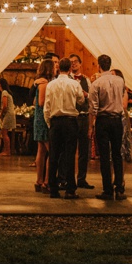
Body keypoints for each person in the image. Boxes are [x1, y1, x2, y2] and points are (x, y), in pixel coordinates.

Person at [44, 58, 85, 199]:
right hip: (70, 121)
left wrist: (50, 123)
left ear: (59, 68)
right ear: (69, 69)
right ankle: (70, 189)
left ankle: (53, 189)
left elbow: (47, 106)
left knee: (54, 155)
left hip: (55, 122)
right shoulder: (74, 84)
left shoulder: (51, 85)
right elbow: (81, 100)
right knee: (70, 155)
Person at [90, 54, 126, 201]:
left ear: (99, 66)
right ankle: (120, 188)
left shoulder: (96, 84)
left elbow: (93, 108)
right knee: (117, 154)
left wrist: (91, 126)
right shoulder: (120, 80)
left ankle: (107, 190)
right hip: (117, 120)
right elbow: (122, 96)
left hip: (103, 120)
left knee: (105, 156)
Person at [68, 54, 93, 189]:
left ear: (80, 63)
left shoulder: (86, 80)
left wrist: (86, 94)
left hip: (83, 117)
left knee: (84, 150)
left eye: (76, 61)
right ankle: (69, 179)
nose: (73, 64)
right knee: (70, 149)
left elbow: (91, 98)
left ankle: (82, 178)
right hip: (71, 117)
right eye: (71, 62)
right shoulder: (67, 80)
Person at [32, 59, 55, 192]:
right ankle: (46, 181)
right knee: (51, 151)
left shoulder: (39, 82)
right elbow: (40, 102)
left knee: (41, 150)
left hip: (38, 119)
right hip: (44, 119)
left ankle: (38, 181)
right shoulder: (44, 83)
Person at [112, 69, 132, 163]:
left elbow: (124, 105)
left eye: (112, 75)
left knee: (122, 141)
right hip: (113, 115)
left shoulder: (123, 90)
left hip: (121, 116)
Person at [0, 78, 16, 156]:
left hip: (8, 114)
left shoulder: (4, 92)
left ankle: (7, 151)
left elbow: (5, 106)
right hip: (10, 114)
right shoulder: (6, 92)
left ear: (0, 84)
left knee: (4, 132)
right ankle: (6, 150)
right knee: (4, 132)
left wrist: (0, 114)